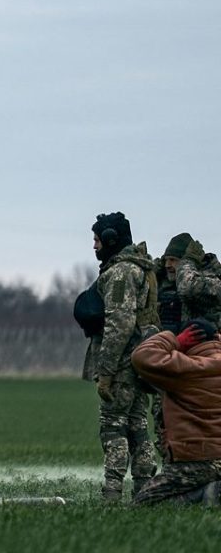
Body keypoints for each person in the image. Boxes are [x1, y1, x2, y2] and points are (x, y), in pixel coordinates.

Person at [84, 211, 159, 501]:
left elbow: (119, 324)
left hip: (123, 365)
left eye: (97, 240)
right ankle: (145, 491)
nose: (94, 246)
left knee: (113, 426)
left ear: (111, 240)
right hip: (140, 362)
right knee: (138, 424)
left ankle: (112, 491)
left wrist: (106, 373)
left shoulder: (120, 273)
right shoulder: (141, 268)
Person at [130, 317, 221, 505]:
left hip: (196, 462)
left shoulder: (184, 368)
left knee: (144, 504)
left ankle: (206, 493)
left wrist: (176, 340)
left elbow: (142, 356)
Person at [172, 236, 221, 324]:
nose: (167, 265)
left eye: (173, 260)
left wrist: (188, 260)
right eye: (165, 260)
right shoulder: (170, 281)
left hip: (207, 336)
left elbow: (187, 288)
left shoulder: (215, 280)